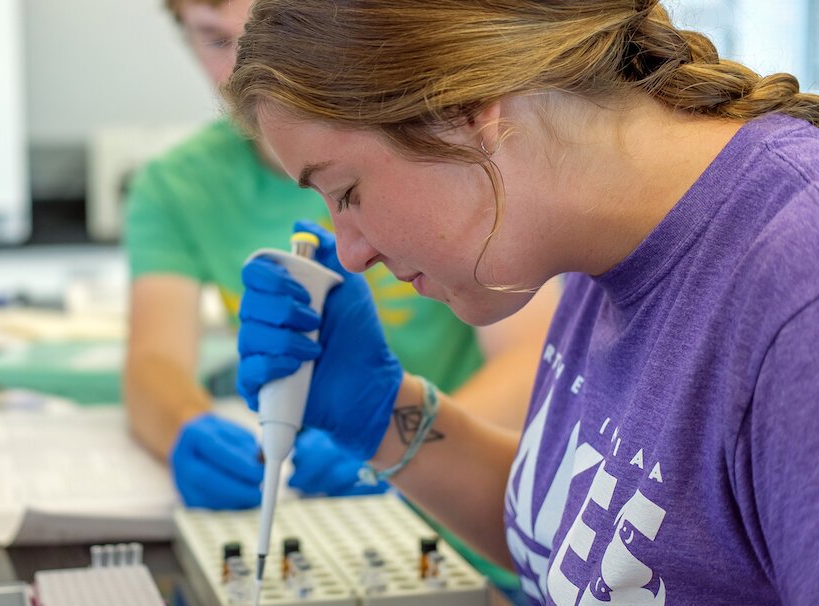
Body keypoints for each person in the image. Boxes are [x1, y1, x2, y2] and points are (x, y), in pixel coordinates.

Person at [226, 1, 819, 604]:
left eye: (346, 191)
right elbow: (590, 551)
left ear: (464, 111)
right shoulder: (591, 241)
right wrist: (383, 414)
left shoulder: (798, 292)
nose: (351, 254)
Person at [123, 0, 558, 521]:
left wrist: (400, 442)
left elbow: (533, 353)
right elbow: (154, 359)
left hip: (468, 490)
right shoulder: (179, 185)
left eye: (349, 191)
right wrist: (183, 426)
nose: (249, 69)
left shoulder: (434, 147)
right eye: (218, 40)